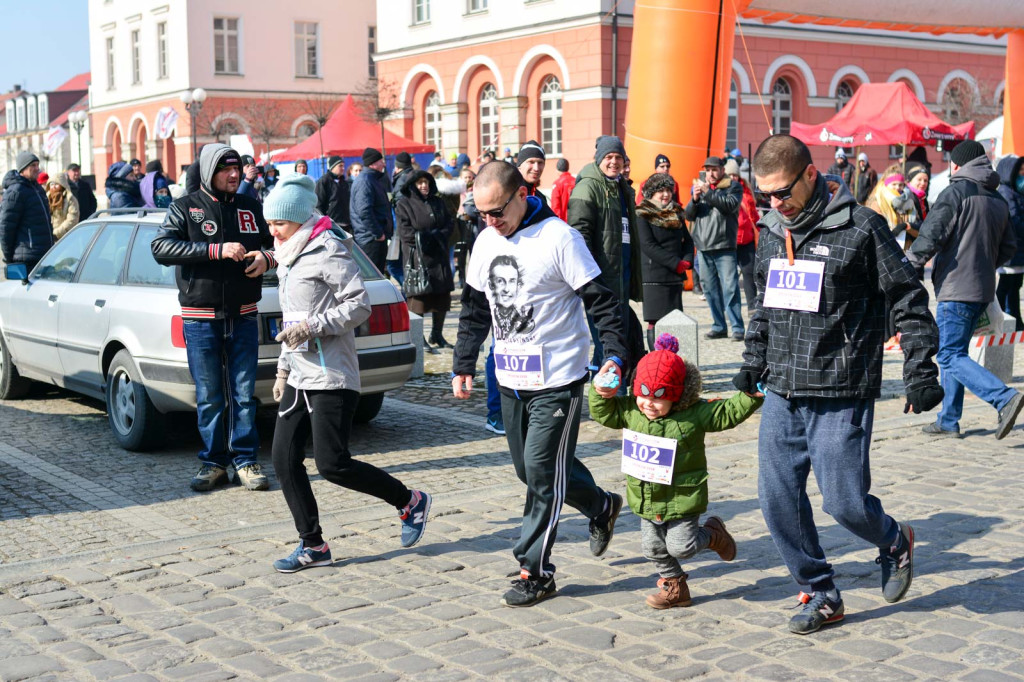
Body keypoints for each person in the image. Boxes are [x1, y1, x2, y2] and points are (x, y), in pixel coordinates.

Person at [738, 134, 942, 635]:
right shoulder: (769, 230)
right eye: (765, 194)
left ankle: (894, 541)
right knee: (777, 499)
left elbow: (908, 299)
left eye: (782, 192)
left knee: (844, 502)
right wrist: (751, 360)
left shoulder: (862, 227)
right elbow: (765, 306)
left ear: (812, 175)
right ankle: (820, 591)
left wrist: (920, 368)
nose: (774, 204)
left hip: (840, 386)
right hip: (783, 389)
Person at [452, 160, 629, 607]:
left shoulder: (559, 238)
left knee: (543, 475)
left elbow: (603, 303)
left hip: (558, 378)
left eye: (497, 212)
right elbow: (475, 308)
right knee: (528, 470)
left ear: (522, 195)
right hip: (510, 378)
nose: (491, 222)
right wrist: (463, 363)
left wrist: (613, 357)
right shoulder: (485, 241)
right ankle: (601, 506)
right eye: (482, 214)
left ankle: (535, 569)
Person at [262, 174, 431, 572]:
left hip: (332, 375)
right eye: (270, 224)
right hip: (300, 375)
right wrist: (283, 369)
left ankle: (409, 501)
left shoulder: (327, 248)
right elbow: (293, 316)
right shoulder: (287, 253)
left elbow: (359, 305)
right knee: (283, 459)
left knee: (333, 463)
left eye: (279, 224)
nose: (273, 231)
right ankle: (313, 545)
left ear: (300, 220)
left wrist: (312, 327)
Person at [589, 333, 760, 608]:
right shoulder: (632, 411)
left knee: (682, 546)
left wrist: (751, 397)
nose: (648, 403)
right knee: (653, 549)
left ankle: (713, 534)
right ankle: (674, 587)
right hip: (645, 496)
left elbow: (726, 412)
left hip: (681, 497)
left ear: (676, 395)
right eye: (643, 394)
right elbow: (604, 413)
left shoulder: (694, 413)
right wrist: (600, 392)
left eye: (658, 397)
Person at [151, 143, 276, 492]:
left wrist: (268, 260)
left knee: (243, 393)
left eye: (237, 168)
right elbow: (161, 248)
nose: (234, 175)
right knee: (208, 395)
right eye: (226, 169)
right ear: (209, 172)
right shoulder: (185, 207)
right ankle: (213, 462)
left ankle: (246, 460)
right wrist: (214, 250)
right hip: (200, 317)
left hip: (245, 315)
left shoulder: (252, 206)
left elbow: (277, 244)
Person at [908, 140, 1022, 439]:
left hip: (957, 288)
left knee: (948, 355)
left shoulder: (955, 192)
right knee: (955, 351)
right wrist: (985, 264)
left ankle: (1004, 398)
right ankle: (948, 419)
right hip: (983, 288)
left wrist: (905, 266)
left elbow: (929, 236)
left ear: (956, 166)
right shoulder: (997, 198)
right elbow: (1009, 246)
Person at [568, 135, 644, 370]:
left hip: (620, 279)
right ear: (599, 159)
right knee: (611, 346)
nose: (613, 162)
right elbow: (579, 236)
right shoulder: (588, 186)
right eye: (608, 157)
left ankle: (609, 394)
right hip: (601, 282)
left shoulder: (621, 187)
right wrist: (591, 280)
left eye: (618, 157)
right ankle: (611, 399)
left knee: (620, 341)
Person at [684, 155, 744, 341]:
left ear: (722, 170)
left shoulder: (733, 186)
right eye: (707, 170)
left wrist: (707, 193)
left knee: (730, 288)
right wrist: (694, 200)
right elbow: (689, 215)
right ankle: (719, 326)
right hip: (703, 246)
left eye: (714, 169)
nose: (710, 173)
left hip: (724, 245)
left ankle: (737, 328)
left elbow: (729, 206)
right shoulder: (700, 188)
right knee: (709, 289)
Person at [396, 170, 455, 349]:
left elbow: (448, 223)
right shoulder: (404, 204)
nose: (424, 186)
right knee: (419, 300)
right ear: (413, 185)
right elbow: (405, 233)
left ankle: (437, 334)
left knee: (441, 298)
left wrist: (439, 236)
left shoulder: (438, 202)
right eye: (420, 183)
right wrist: (428, 238)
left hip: (439, 258)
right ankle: (417, 336)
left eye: (427, 182)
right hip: (417, 258)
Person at [635, 172, 694, 350]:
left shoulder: (676, 212)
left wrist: (687, 259)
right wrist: (675, 263)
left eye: (668, 190)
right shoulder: (642, 214)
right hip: (654, 277)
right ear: (651, 193)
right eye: (661, 190)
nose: (666, 194)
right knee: (656, 321)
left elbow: (688, 240)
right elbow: (648, 245)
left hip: (674, 277)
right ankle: (656, 360)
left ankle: (673, 360)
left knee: (674, 320)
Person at [0, 152, 53, 273]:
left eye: (37, 165)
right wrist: (9, 259)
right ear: (23, 168)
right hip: (28, 260)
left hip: (44, 255)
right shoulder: (16, 191)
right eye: (33, 165)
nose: (37, 168)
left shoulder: (38, 189)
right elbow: (6, 227)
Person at [349, 147, 393, 272]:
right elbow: (364, 211)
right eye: (381, 161)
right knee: (371, 277)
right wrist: (378, 233)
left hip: (374, 238)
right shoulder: (365, 181)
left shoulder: (372, 179)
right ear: (373, 163)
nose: (383, 164)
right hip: (370, 240)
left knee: (377, 275)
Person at [994, 154, 1024, 331]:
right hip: (1011, 249)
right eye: (1019, 171)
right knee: (1006, 286)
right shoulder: (1006, 192)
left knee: (1015, 285)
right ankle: (1001, 320)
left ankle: (1014, 320)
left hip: (1018, 249)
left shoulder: (1017, 191)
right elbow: (1014, 219)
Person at [725, 158, 759, 311]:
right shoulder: (723, 191)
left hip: (747, 239)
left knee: (749, 273)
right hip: (730, 240)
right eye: (730, 175)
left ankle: (752, 306)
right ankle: (731, 308)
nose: (733, 178)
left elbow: (753, 214)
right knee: (730, 278)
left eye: (735, 175)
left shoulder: (747, 191)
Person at [314, 156, 351, 227]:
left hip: (346, 224)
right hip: (331, 224)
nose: (343, 168)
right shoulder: (324, 181)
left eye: (343, 166)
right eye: (340, 166)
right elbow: (319, 204)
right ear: (332, 167)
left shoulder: (344, 182)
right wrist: (323, 222)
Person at [517, 140, 548, 207]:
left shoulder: (541, 198)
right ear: (519, 166)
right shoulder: (511, 194)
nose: (536, 168)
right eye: (531, 162)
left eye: (540, 163)